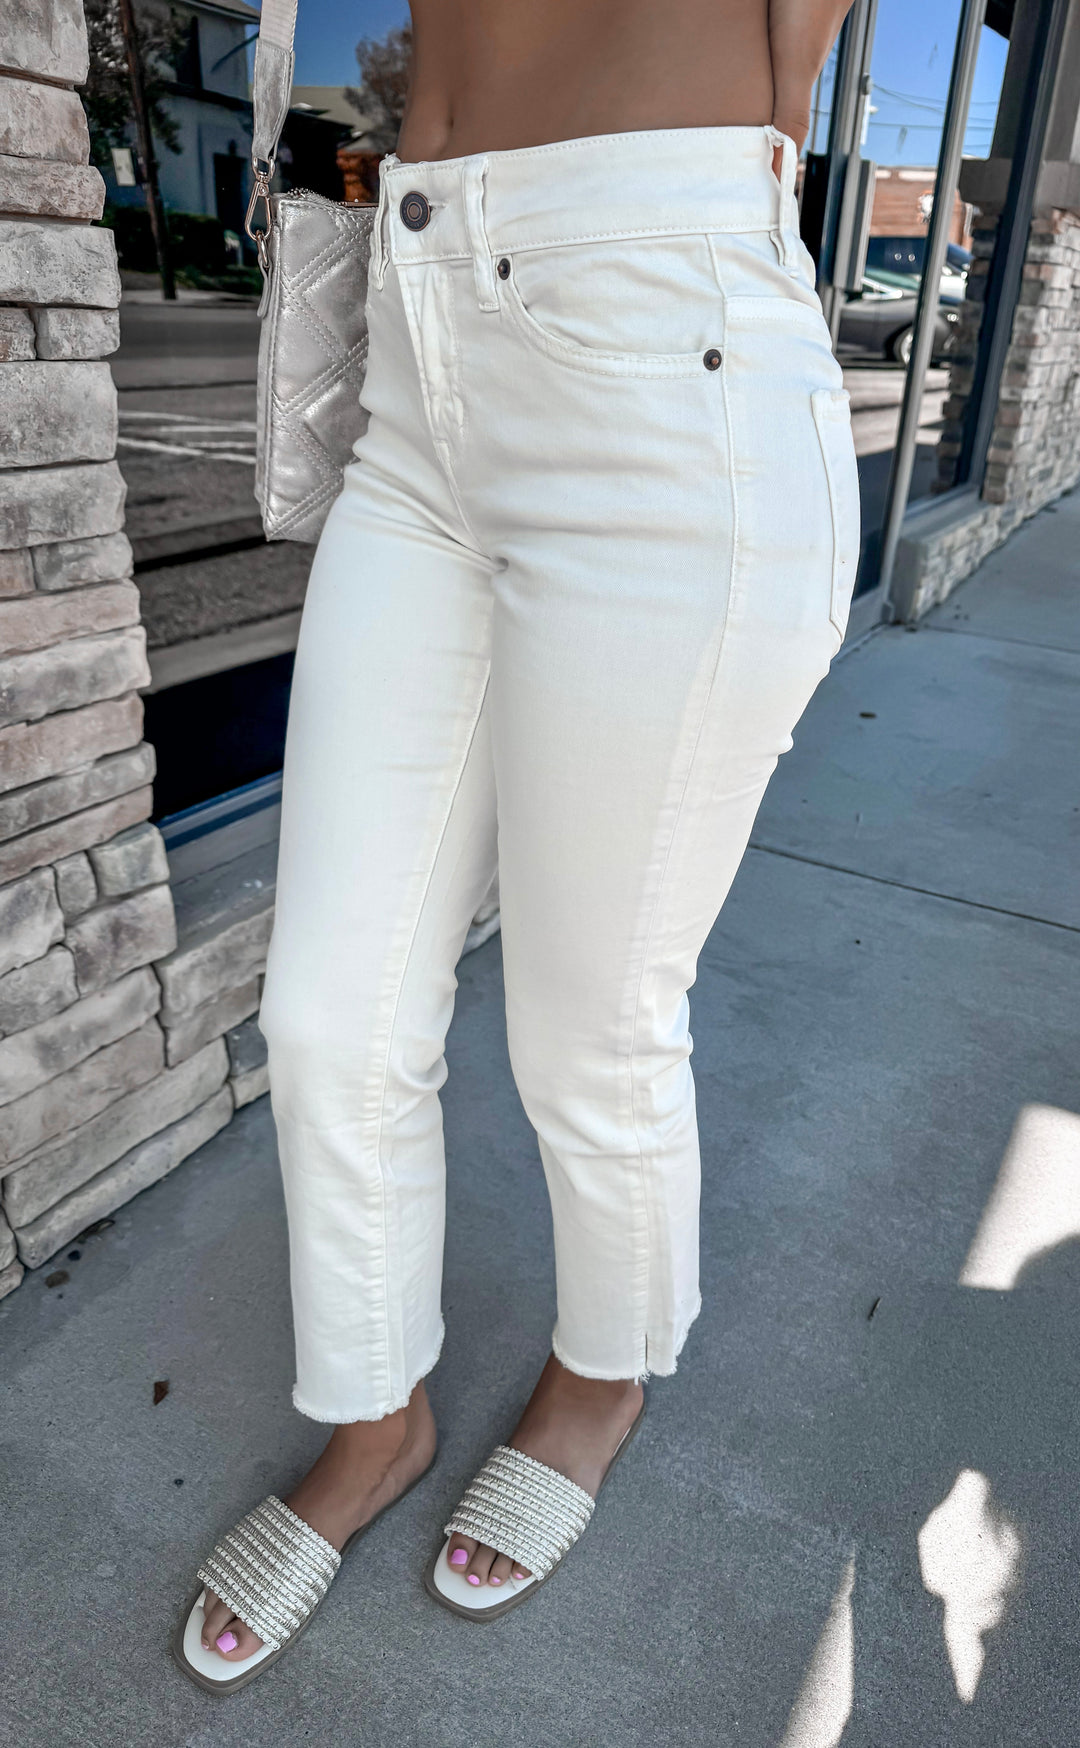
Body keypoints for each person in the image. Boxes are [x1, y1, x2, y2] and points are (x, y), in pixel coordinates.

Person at [172, 0, 860, 1687]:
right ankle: (377, 1416)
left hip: (668, 339)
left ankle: (603, 1377)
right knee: (327, 1019)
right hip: (421, 354)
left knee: (590, 1027)